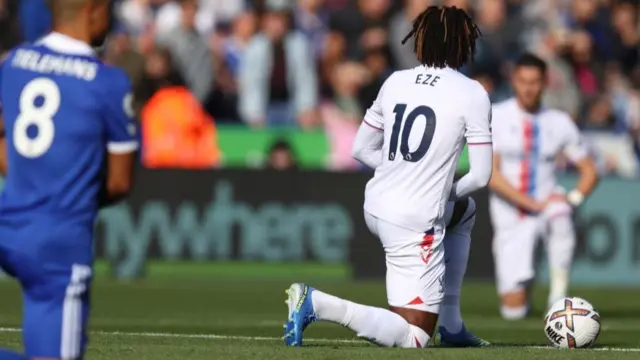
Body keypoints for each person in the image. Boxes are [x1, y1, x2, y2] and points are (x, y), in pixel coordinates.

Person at [283, 5, 493, 348]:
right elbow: (482, 176)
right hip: (413, 220)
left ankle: (453, 326)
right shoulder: (471, 92)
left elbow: (360, 148)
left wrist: (403, 173)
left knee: (463, 213)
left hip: (377, 204)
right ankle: (316, 303)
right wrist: (443, 191)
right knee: (414, 337)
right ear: (463, 45)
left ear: (420, 42)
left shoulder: (395, 80)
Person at [0, 0, 138, 359]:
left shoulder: (14, 63)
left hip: (9, 222)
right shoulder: (108, 82)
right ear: (95, 10)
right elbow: (120, 182)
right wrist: (66, 188)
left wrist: (32, 178)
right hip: (59, 243)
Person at [489, 53, 598, 321]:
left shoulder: (559, 121)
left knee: (560, 212)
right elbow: (491, 174)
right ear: (514, 81)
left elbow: (590, 172)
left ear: (544, 83)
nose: (529, 88)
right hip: (512, 215)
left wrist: (571, 199)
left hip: (548, 207)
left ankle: (558, 299)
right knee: (513, 310)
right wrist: (530, 203)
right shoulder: (498, 116)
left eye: (535, 82)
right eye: (523, 81)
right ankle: (526, 285)